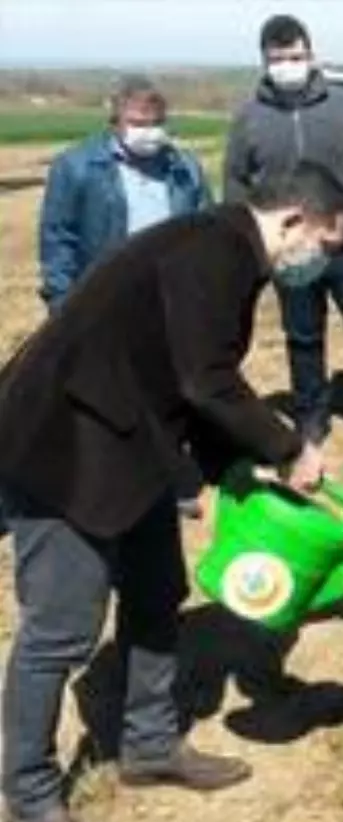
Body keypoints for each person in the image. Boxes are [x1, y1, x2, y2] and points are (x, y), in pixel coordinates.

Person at [0, 161, 343, 822]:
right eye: (324, 245)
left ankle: (149, 744)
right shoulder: (214, 251)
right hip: (64, 445)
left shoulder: (228, 250)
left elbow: (190, 378)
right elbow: (207, 381)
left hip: (132, 444)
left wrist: (231, 468)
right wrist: (286, 448)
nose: (322, 264)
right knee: (59, 631)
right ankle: (30, 797)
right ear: (292, 221)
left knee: (157, 594)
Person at [224, 14, 343, 443]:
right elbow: (236, 182)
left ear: (311, 56)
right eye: (278, 58)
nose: (287, 65)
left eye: (295, 56)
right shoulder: (249, 118)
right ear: (264, 61)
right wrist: (243, 243)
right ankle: (311, 415)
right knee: (303, 334)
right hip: (291, 248)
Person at [38, 74, 214, 517]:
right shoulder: (76, 167)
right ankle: (102, 480)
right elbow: (58, 240)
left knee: (168, 392)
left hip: (167, 300)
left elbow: (206, 231)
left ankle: (168, 483)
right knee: (106, 395)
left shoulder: (184, 168)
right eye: (139, 121)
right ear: (115, 118)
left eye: (157, 121)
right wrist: (64, 305)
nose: (149, 131)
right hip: (102, 300)